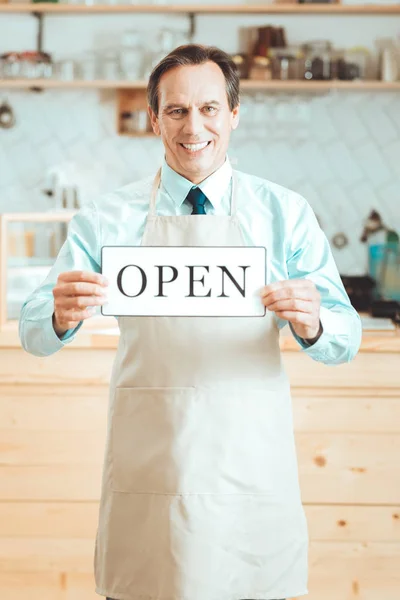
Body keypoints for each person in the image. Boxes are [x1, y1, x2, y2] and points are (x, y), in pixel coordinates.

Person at [19, 44, 362, 600]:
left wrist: (316, 323)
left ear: (233, 114)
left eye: (208, 109)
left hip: (250, 471)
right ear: (155, 118)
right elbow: (33, 332)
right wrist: (57, 315)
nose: (193, 126)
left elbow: (345, 341)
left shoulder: (284, 213)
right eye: (176, 110)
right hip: (151, 467)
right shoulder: (107, 218)